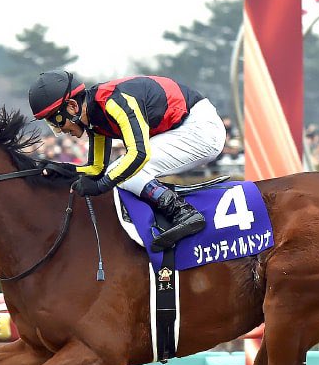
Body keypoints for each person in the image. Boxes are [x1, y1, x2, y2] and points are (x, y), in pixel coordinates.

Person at [28, 70, 226, 250]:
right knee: (117, 171)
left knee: (128, 171)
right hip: (183, 127)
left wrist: (101, 186)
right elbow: (97, 168)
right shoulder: (94, 118)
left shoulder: (113, 102)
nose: (59, 130)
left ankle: (183, 212)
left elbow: (139, 155)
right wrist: (64, 170)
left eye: (56, 121)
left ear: (72, 106)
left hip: (201, 129)